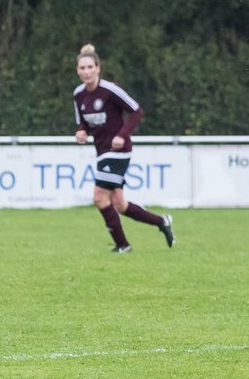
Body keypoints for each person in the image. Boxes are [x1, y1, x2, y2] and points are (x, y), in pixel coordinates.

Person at [73, 44, 175, 252]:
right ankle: (161, 221)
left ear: (98, 68)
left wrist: (122, 135)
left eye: (90, 67)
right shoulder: (78, 95)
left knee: (99, 196)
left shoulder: (110, 90)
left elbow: (136, 111)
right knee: (119, 204)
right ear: (77, 71)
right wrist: (81, 132)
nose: (86, 72)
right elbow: (84, 123)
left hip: (119, 151)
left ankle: (123, 245)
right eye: (82, 68)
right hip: (102, 151)